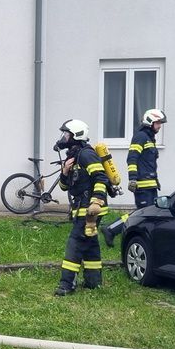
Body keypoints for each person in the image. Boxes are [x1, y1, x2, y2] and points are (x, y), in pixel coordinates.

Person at [54, 119, 109, 296]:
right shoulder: (73, 157)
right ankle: (93, 281)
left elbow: (101, 178)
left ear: (76, 135)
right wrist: (65, 171)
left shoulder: (86, 154)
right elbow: (64, 187)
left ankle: (66, 284)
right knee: (90, 243)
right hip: (81, 207)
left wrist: (96, 202)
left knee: (75, 243)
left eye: (67, 134)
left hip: (90, 208)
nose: (64, 137)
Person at [102, 109, 166, 247]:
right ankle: (111, 229)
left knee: (147, 214)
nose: (160, 126)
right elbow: (132, 159)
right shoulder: (141, 137)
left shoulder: (149, 138)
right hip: (142, 186)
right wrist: (133, 179)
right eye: (158, 123)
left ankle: (144, 239)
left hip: (151, 185)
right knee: (141, 214)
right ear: (150, 122)